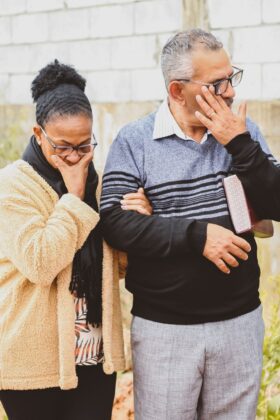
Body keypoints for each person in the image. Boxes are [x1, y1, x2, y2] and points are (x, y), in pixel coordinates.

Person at [100, 29, 280, 419]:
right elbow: (114, 222)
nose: (230, 92)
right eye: (217, 84)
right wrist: (196, 235)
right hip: (165, 330)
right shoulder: (134, 141)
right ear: (177, 90)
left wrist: (240, 145)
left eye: (232, 78)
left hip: (239, 322)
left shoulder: (243, 132)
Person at [0, 60, 152, 420]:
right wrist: (73, 196)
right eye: (63, 146)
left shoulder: (98, 183)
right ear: (38, 134)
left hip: (94, 357)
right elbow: (41, 263)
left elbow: (113, 268)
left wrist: (137, 222)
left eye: (85, 146)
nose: (74, 157)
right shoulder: (12, 186)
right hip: (31, 366)